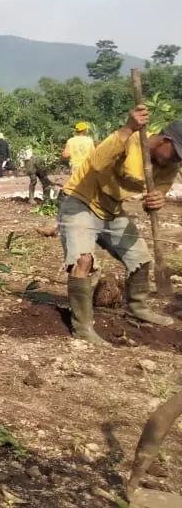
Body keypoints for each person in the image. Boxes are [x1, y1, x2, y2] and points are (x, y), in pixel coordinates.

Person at [58, 106, 182, 344]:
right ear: (165, 140)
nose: (178, 160)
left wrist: (156, 200)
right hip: (80, 200)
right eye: (176, 154)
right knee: (82, 260)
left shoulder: (170, 166)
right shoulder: (130, 140)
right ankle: (82, 326)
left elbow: (156, 195)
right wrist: (127, 128)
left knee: (140, 258)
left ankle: (137, 307)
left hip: (111, 208)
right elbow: (96, 163)